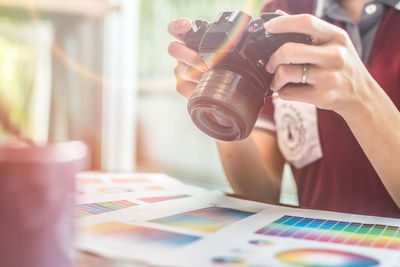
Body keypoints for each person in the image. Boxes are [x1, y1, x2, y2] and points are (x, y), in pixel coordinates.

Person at [167, 0, 400, 218]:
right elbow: (261, 192)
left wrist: (360, 97)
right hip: (311, 243)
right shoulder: (284, 10)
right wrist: (224, 97)